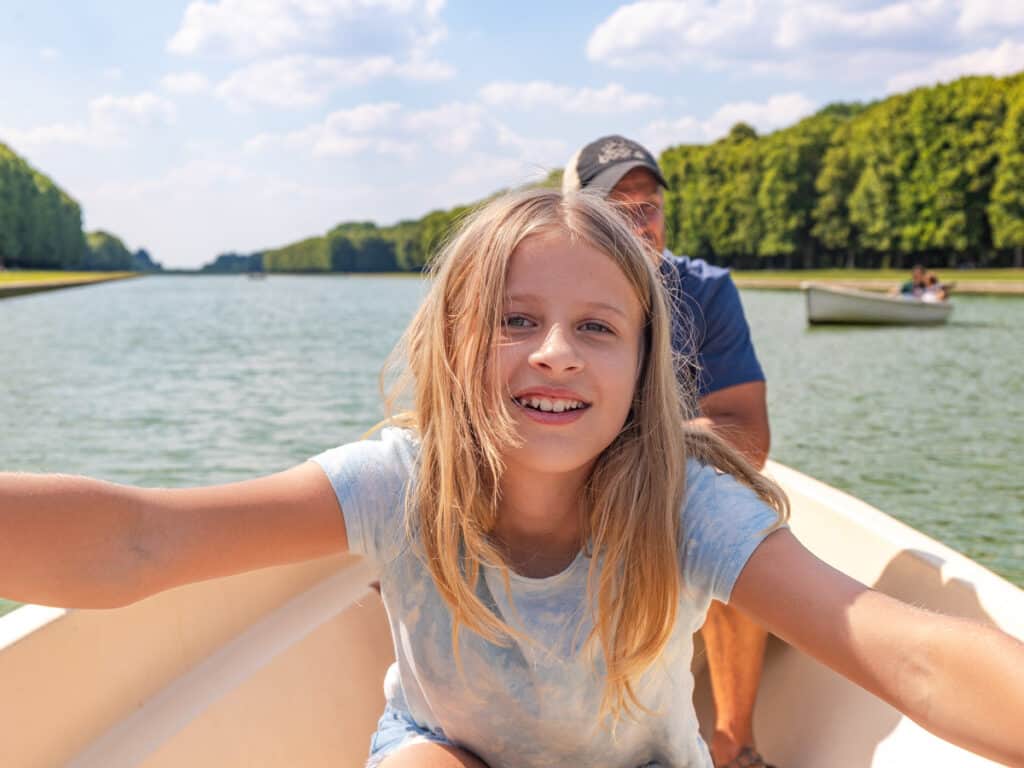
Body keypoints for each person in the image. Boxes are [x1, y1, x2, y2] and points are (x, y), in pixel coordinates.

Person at [2, 190, 1023, 768]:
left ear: (641, 370)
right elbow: (142, 537)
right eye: (515, 320)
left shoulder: (688, 504)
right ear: (453, 345)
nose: (554, 353)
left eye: (596, 329)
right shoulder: (399, 481)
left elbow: (910, 657)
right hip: (447, 751)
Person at [564, 135, 771, 768]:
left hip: (666, 491)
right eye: (616, 208)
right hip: (562, 491)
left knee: (734, 514)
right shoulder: (543, 292)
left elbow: (748, 436)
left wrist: (632, 453)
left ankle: (735, 745)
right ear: (574, 216)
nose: (639, 223)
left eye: (648, 205)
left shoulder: (704, 293)